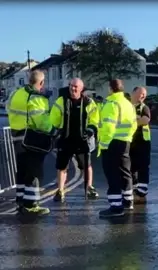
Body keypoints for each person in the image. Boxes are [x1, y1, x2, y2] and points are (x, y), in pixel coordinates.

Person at [6, 70, 53, 215]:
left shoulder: (16, 93)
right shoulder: (36, 97)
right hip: (30, 138)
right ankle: (31, 204)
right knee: (34, 172)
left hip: (16, 135)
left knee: (22, 170)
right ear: (41, 82)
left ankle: (21, 200)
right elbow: (40, 122)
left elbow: (8, 107)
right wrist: (53, 128)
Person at [50, 78, 99, 202]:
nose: (73, 88)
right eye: (71, 86)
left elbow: (95, 119)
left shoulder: (89, 102)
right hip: (65, 139)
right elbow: (54, 118)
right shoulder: (61, 101)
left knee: (86, 165)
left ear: (82, 88)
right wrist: (55, 130)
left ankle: (89, 188)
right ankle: (60, 191)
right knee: (62, 166)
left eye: (76, 86)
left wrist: (90, 130)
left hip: (82, 140)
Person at [97, 79, 137, 218]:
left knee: (112, 174)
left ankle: (116, 207)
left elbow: (108, 127)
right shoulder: (128, 104)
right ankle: (128, 201)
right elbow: (133, 125)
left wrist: (104, 144)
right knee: (125, 172)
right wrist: (128, 137)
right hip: (125, 141)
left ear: (110, 88)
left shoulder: (111, 103)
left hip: (111, 143)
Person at [130, 86, 151, 204]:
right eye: (141, 93)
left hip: (143, 142)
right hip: (130, 141)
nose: (143, 96)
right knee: (130, 167)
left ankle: (142, 191)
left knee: (143, 166)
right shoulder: (127, 106)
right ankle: (133, 189)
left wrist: (132, 121)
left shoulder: (144, 107)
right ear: (133, 93)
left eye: (145, 95)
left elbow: (145, 120)